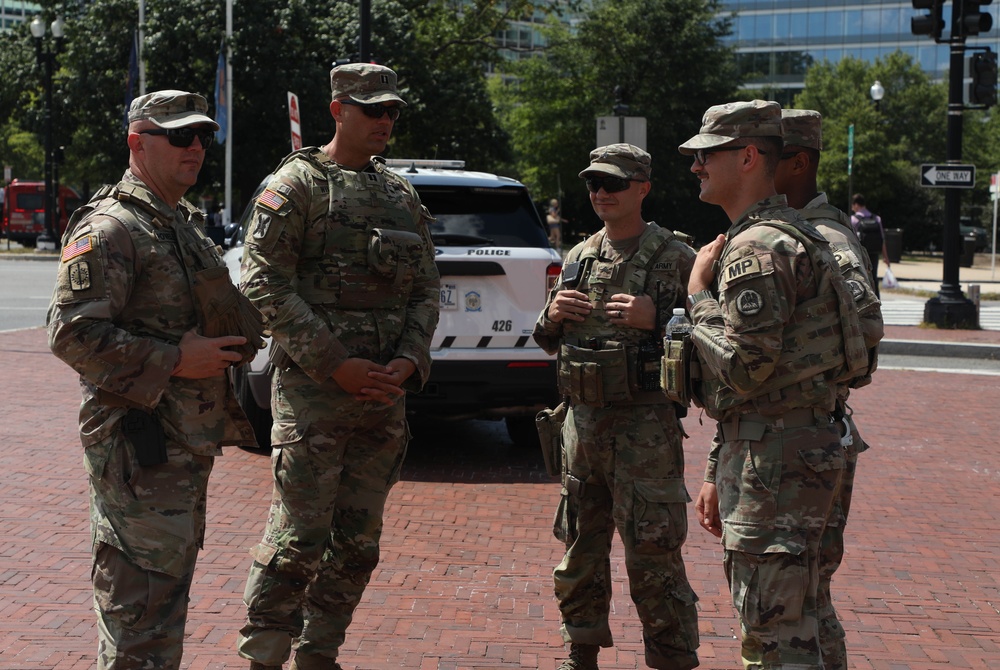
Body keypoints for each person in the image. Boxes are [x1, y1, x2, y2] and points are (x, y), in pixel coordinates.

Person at [47, 89, 264, 669]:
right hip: (138, 455)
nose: (195, 147)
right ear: (137, 142)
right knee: (138, 624)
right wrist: (175, 358)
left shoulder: (179, 223)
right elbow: (70, 334)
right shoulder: (112, 227)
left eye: (202, 136)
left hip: (180, 454)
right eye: (179, 136)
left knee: (161, 611)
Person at [236, 63, 440, 670]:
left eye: (391, 111)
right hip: (316, 398)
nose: (383, 121)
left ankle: (319, 653)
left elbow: (427, 288)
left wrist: (409, 359)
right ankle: (265, 656)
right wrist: (336, 364)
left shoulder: (400, 193)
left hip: (383, 400)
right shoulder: (296, 185)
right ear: (337, 109)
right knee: (298, 538)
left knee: (358, 544)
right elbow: (263, 282)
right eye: (371, 109)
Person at [677, 100, 867, 670]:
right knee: (798, 623)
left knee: (773, 636)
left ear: (749, 156)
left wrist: (696, 298)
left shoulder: (758, 247)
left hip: (775, 461)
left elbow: (742, 368)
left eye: (706, 155)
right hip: (784, 447)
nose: (696, 167)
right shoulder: (787, 235)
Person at [532, 143, 700, 670]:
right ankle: (579, 652)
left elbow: (719, 342)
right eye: (594, 184)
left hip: (646, 430)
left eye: (614, 183)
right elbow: (544, 339)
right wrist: (553, 314)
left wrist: (662, 318)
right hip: (583, 430)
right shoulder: (580, 255)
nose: (601, 192)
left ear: (643, 188)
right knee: (580, 551)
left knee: (654, 557)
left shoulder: (677, 257)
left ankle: (670, 658)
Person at [850, 193, 890, 296]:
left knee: (861, 279)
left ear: (856, 205)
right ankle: (877, 301)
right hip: (874, 254)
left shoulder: (854, 220)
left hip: (860, 254)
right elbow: (882, 239)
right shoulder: (877, 219)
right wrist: (886, 257)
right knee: (874, 278)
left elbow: (851, 240)